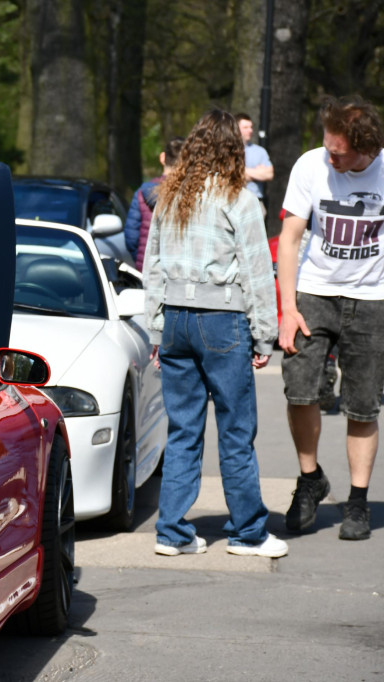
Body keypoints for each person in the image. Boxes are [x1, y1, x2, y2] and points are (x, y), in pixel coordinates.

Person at [144, 109, 285, 558]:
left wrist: (155, 329)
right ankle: (248, 533)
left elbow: (153, 268)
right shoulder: (239, 199)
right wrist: (265, 336)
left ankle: (172, 532)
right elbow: (258, 272)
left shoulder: (169, 196)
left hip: (177, 321)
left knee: (183, 429)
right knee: (235, 429)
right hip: (222, 320)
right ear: (233, 151)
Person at [277, 95, 384, 542]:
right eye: (327, 146)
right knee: (300, 390)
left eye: (338, 151)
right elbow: (289, 239)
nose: (330, 155)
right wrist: (287, 309)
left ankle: (358, 502)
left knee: (362, 404)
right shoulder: (310, 166)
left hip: (372, 297)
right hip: (315, 293)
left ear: (367, 149)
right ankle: (310, 479)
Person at [126, 137, 184, 270]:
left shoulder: (142, 192)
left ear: (163, 157)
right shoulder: (189, 195)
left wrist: (141, 260)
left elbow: (131, 238)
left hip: (147, 269)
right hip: (177, 271)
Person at [236, 112, 273, 215]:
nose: (250, 130)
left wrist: (245, 172)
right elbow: (232, 175)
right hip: (235, 201)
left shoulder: (260, 151)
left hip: (257, 202)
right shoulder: (229, 150)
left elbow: (269, 174)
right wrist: (257, 173)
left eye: (251, 127)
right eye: (246, 127)